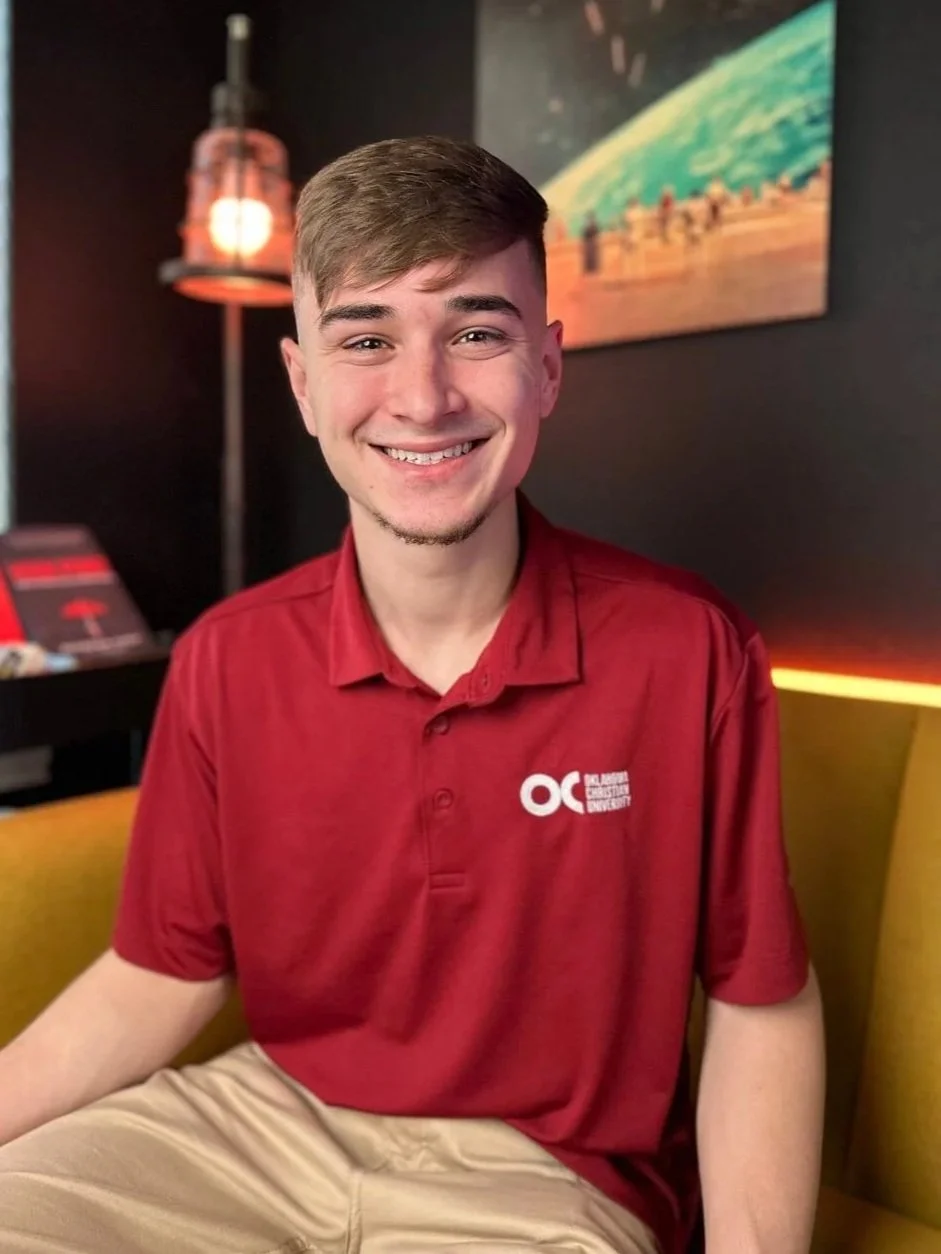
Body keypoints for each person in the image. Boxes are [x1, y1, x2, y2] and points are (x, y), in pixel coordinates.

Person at [0, 136, 825, 1254]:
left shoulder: (690, 649)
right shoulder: (225, 656)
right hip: (256, 1123)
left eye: (476, 333)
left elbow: (758, 997)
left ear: (546, 367)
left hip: (545, 1179)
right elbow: (161, 971)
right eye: (367, 338)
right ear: (302, 383)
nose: (423, 396)